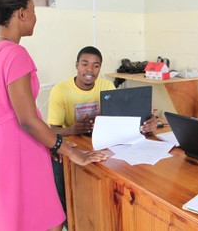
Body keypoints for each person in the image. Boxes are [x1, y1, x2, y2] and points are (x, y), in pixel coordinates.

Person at [0, 0, 108, 231]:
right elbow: (27, 119)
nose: (36, 18)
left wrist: (50, 142)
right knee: (49, 221)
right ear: (21, 13)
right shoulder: (16, 54)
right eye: (34, 11)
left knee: (16, 219)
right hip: (20, 148)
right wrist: (69, 151)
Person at [47, 45, 158, 219]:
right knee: (57, 162)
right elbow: (51, 131)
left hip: (101, 142)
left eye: (96, 65)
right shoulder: (60, 90)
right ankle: (67, 217)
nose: (90, 69)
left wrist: (149, 122)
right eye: (85, 64)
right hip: (73, 146)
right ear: (76, 65)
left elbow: (119, 119)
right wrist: (72, 129)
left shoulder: (106, 85)